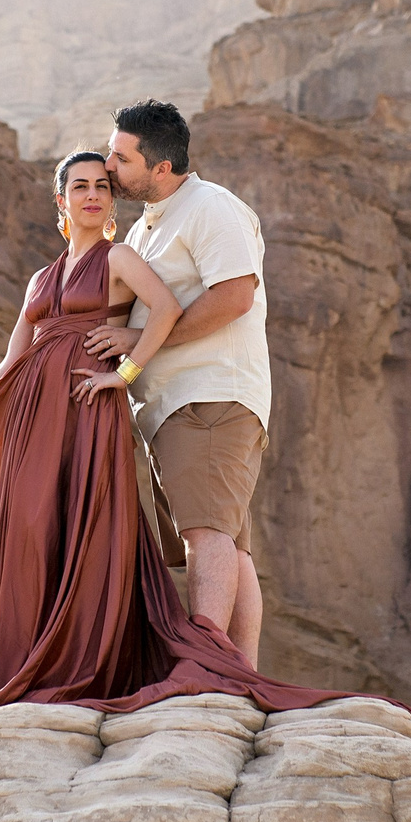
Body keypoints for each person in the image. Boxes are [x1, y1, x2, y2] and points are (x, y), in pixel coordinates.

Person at [0, 150, 411, 751]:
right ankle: (30, 667)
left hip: (89, 412)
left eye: (101, 186)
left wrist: (125, 372)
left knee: (87, 532)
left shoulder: (120, 257)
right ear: (60, 201)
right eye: (79, 186)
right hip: (34, 422)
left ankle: (110, 665)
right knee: (33, 535)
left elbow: (167, 310)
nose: (92, 195)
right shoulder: (41, 278)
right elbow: (14, 359)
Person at [84, 99, 269, 664]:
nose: (109, 167)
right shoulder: (149, 227)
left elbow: (234, 297)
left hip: (208, 396)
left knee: (206, 534)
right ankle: (240, 675)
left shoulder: (211, 207)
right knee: (226, 541)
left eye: (121, 158)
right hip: (175, 406)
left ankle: (203, 662)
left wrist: (141, 343)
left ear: (161, 167)